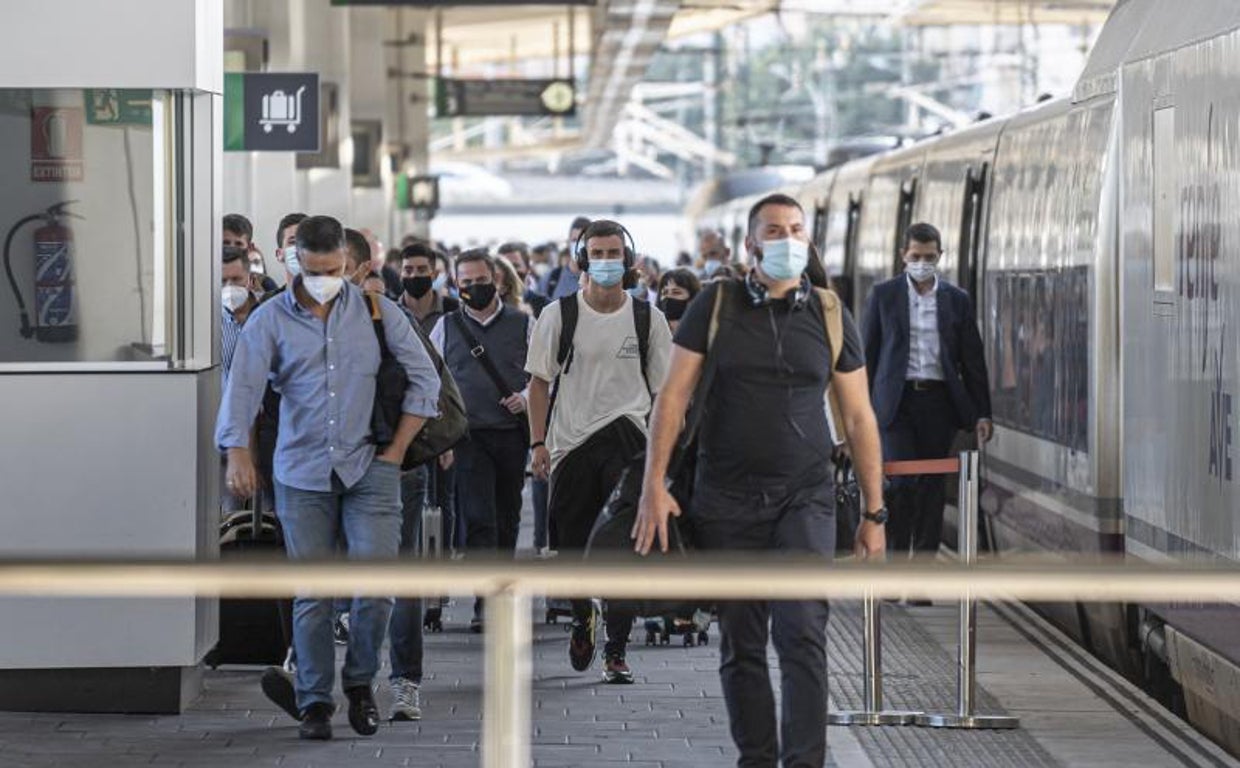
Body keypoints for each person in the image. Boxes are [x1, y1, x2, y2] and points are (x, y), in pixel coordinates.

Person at [634, 193, 888, 768]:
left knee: (802, 634)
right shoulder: (715, 305)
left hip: (806, 497)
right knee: (742, 643)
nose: (788, 239)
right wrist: (655, 483)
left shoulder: (828, 311)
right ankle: (757, 758)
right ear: (751, 245)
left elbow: (859, 417)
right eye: (774, 230)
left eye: (797, 230)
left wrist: (875, 513)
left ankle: (804, 763)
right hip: (725, 498)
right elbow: (672, 399)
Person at [216, 215, 440, 741]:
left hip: (371, 468)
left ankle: (360, 683)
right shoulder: (270, 319)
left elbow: (425, 382)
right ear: (296, 264)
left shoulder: (379, 313)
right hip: (301, 471)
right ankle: (315, 701)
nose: (323, 278)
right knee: (313, 593)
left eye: (334, 269)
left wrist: (397, 451)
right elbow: (242, 392)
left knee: (377, 588)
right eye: (313, 270)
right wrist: (238, 454)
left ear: (351, 264)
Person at [526, 219, 673, 685]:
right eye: (598, 253)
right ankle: (581, 613)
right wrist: (538, 444)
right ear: (581, 260)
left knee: (625, 549)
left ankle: (617, 648)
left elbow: (668, 394)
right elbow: (538, 384)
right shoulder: (558, 315)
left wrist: (664, 459)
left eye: (614, 253)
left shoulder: (649, 318)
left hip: (631, 442)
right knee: (571, 548)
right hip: (571, 444)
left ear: (628, 260)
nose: (606, 262)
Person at [863, 222, 993, 559]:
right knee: (902, 483)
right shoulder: (883, 295)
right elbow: (868, 355)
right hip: (896, 404)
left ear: (940, 256)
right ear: (903, 256)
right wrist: (863, 411)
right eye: (916, 256)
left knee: (932, 487)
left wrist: (982, 412)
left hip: (939, 403)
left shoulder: (957, 300)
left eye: (930, 257)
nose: (923, 263)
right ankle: (894, 561)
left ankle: (922, 570)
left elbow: (972, 359)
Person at [430, 250, 532, 632]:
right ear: (457, 286)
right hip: (467, 437)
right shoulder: (446, 326)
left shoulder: (525, 323)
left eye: (480, 280)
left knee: (507, 517)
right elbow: (432, 380)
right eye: (466, 282)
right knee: (477, 518)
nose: (474, 287)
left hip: (510, 434)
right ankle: (484, 601)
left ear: (499, 281)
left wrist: (524, 396)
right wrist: (440, 436)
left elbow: (543, 376)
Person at [219, 246, 259, 514]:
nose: (229, 287)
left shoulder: (268, 316)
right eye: (222, 281)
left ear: (250, 279)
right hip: (223, 439)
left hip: (266, 439)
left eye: (235, 280)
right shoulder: (206, 321)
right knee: (228, 516)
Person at [224, 213, 277, 293]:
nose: (232, 248)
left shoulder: (265, 283)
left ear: (249, 248)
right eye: (226, 243)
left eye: (238, 244)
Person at [541, 216, 590, 299]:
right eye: (575, 240)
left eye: (583, 240)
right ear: (568, 243)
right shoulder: (551, 279)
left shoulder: (599, 279)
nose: (578, 244)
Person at [497, 241, 549, 316]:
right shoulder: (490, 306)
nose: (510, 271)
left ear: (528, 269)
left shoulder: (544, 306)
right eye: (505, 267)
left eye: (515, 266)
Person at [655, 268, 701, 333]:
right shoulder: (652, 331)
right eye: (665, 292)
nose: (669, 297)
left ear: (692, 298)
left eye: (676, 292)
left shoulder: (701, 333)